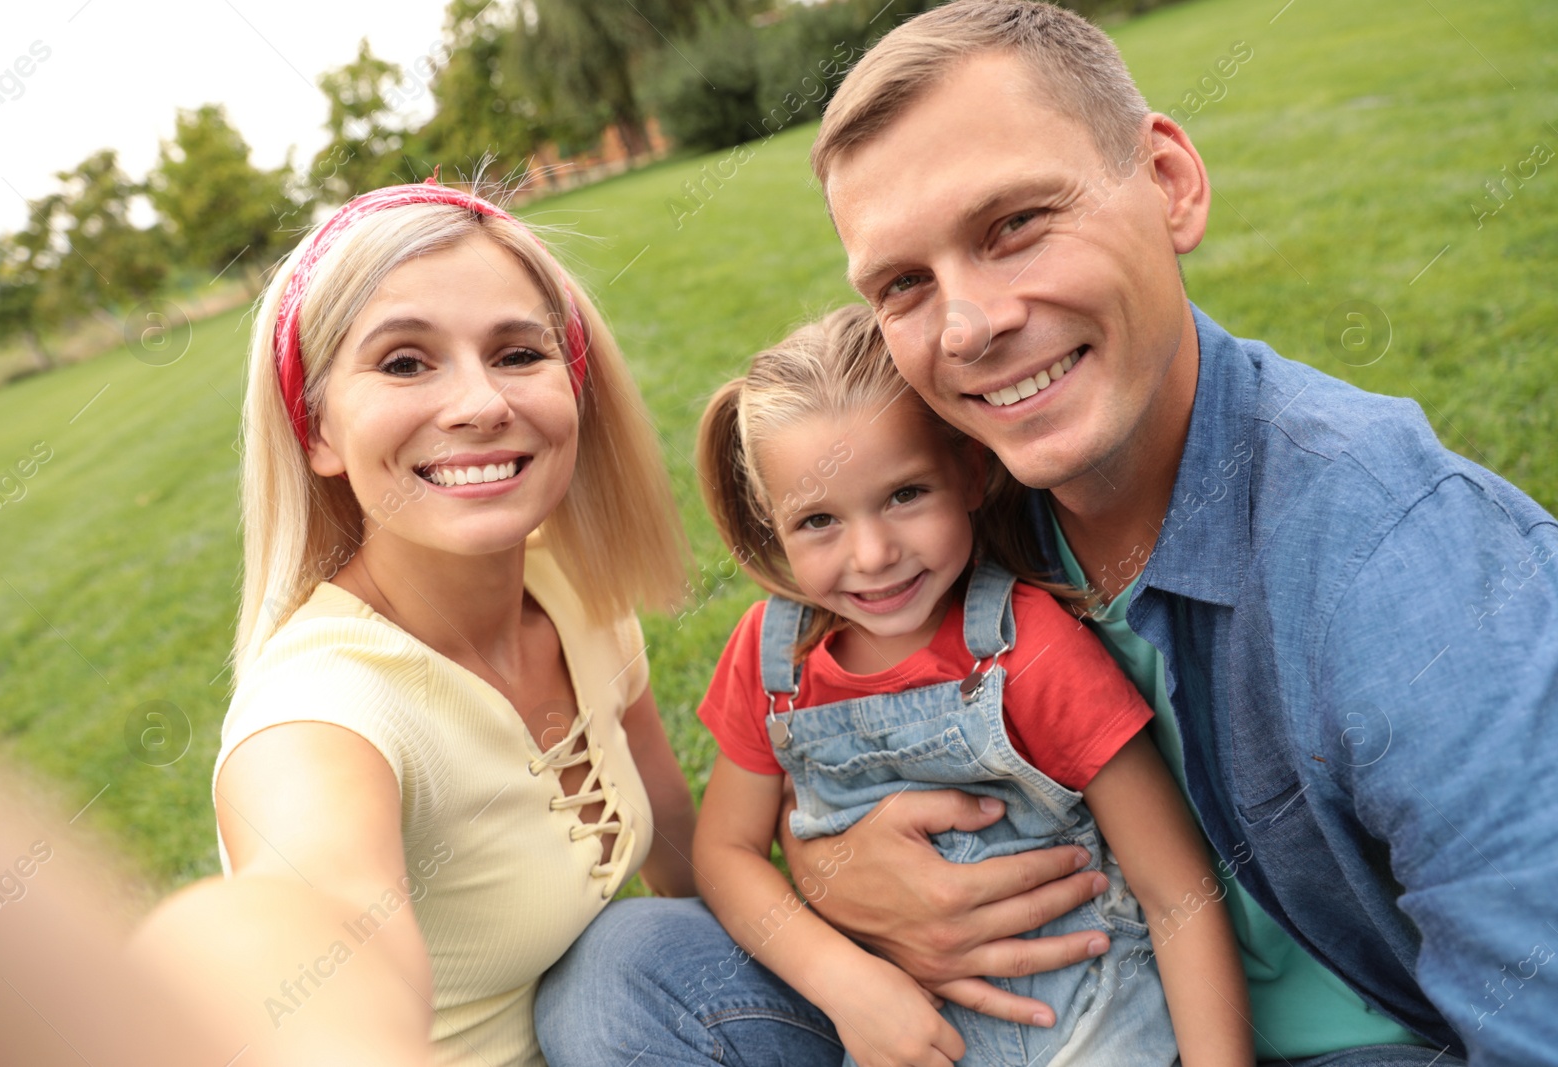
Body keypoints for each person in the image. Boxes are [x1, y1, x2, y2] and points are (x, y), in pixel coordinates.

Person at [536, 2, 1558, 1064]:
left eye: (1014, 223)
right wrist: (831, 869)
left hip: (1333, 1042)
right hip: (978, 1014)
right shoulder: (956, 495)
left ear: (1168, 182)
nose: (971, 326)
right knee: (624, 971)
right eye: (904, 283)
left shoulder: (1405, 566)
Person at [145, 178, 697, 1066]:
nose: (482, 403)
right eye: (405, 362)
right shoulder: (317, 721)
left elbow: (672, 825)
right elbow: (327, 976)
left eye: (519, 353)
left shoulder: (575, 590)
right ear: (315, 427)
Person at [689, 305, 1250, 1067]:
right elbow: (725, 850)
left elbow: (1175, 887)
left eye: (904, 495)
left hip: (1087, 1027)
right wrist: (842, 979)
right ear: (770, 524)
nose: (874, 553)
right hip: (895, 1033)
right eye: (818, 519)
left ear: (969, 472)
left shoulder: (1030, 647)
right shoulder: (771, 657)